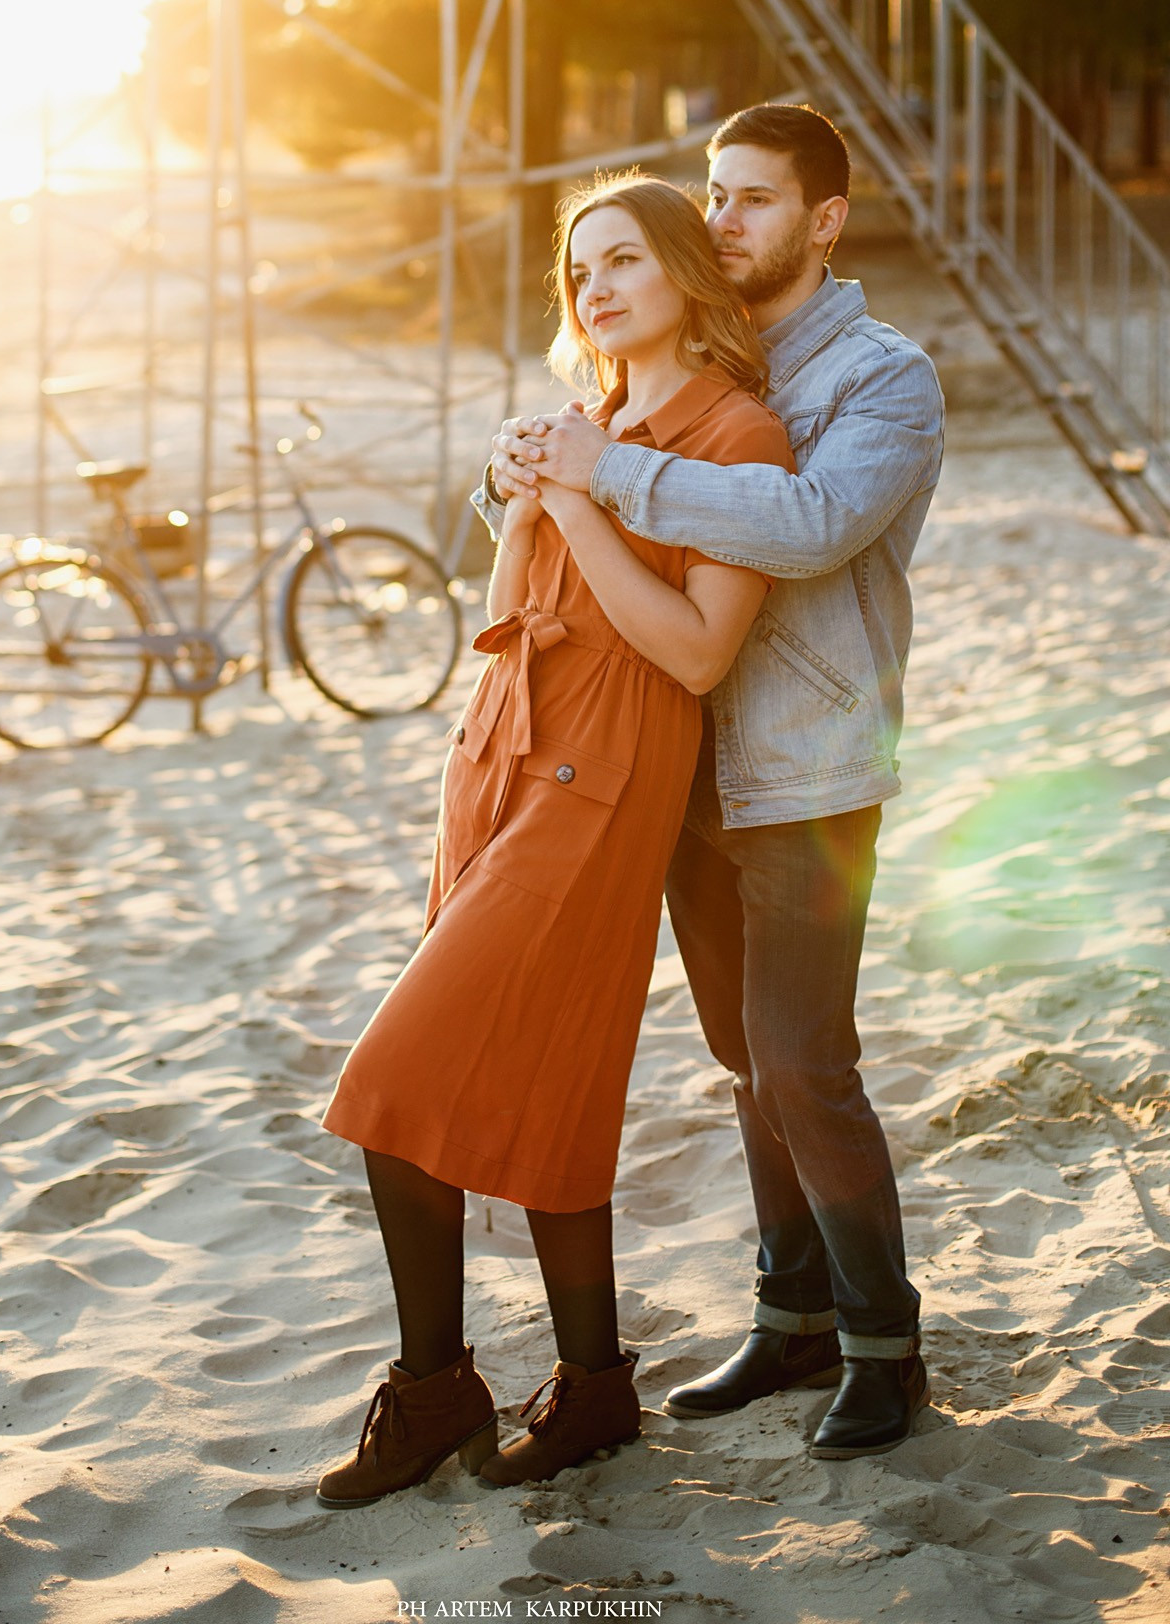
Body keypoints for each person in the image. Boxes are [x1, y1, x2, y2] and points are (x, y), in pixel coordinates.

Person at [316, 175, 794, 1507]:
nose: (592, 284)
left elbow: (700, 655)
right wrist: (525, 503)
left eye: (625, 257)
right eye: (578, 266)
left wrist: (580, 499)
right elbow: (507, 600)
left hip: (609, 768)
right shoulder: (585, 417)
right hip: (499, 749)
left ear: (689, 275)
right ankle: (594, 1389)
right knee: (546, 1073)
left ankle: (436, 1388)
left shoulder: (738, 437)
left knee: (390, 1091)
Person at [486, 103, 944, 1461]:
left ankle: (883, 1341)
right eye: (715, 194)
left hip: (806, 764)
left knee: (807, 1063)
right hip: (677, 758)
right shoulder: (677, 363)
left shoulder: (881, 376)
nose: (725, 218)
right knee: (747, 1063)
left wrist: (602, 466)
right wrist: (515, 470)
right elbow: (574, 519)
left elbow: (804, 528)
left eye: (753, 199)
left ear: (822, 221)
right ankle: (791, 1314)